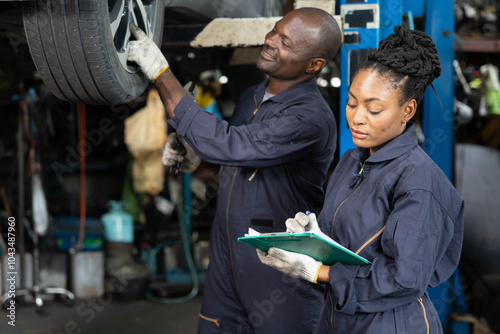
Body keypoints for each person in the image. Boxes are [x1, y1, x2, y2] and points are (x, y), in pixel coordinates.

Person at [127, 8, 342, 333]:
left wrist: (161, 74)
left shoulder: (309, 118)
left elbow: (230, 145)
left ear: (314, 66)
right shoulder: (251, 97)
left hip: (278, 266)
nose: (270, 41)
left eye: (286, 42)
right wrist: (197, 166)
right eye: (274, 31)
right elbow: (239, 173)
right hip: (228, 259)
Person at [257, 25, 464, 333]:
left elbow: (403, 279)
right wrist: (313, 240)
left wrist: (319, 272)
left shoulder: (418, 182)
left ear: (408, 110)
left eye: (374, 109)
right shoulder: (353, 160)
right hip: (339, 319)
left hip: (391, 324)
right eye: (352, 102)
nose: (357, 117)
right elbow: (355, 243)